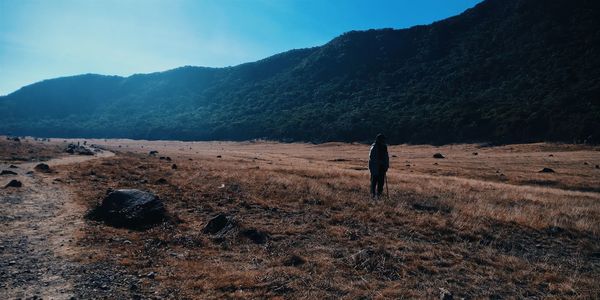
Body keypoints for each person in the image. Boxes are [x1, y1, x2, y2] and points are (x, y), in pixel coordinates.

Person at [368, 133, 389, 199]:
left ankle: (379, 195)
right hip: (375, 167)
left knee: (381, 182)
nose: (383, 141)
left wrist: (386, 165)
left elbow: (386, 157)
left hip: (382, 168)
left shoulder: (384, 147)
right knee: (374, 181)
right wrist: (380, 162)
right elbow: (372, 157)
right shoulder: (374, 147)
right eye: (382, 140)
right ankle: (373, 195)